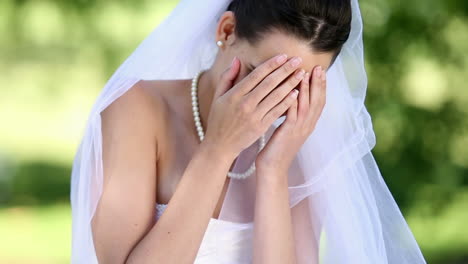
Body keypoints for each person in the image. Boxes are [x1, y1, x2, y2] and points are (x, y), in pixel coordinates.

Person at [70, 0, 427, 263]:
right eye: (263, 74)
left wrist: (274, 171)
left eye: (295, 85)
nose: (273, 100)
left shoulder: (299, 144)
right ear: (226, 31)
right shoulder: (138, 108)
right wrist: (217, 151)